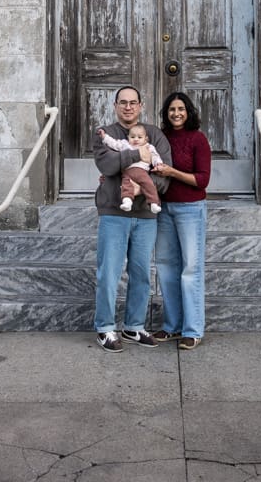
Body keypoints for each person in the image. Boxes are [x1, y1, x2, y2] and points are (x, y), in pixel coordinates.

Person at [92, 85, 171, 353]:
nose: (128, 107)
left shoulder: (155, 135)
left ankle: (133, 326)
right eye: (122, 102)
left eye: (133, 102)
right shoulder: (106, 134)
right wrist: (139, 154)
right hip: (114, 213)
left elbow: (163, 173)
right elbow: (107, 166)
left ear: (140, 105)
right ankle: (105, 327)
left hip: (146, 216)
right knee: (109, 273)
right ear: (115, 106)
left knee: (141, 274)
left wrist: (140, 188)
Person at [149, 91, 212, 351]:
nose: (176, 113)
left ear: (189, 112)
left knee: (190, 270)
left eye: (181, 109)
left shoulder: (198, 139)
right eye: (172, 109)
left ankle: (193, 329)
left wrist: (172, 171)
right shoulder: (160, 139)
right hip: (164, 209)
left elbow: (202, 180)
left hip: (190, 209)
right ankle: (172, 326)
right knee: (165, 266)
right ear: (166, 113)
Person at [97, 123, 164, 214]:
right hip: (128, 172)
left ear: (146, 138)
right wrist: (105, 137)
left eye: (139, 137)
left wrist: (158, 163)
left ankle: (153, 203)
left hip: (142, 172)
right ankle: (127, 202)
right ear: (128, 137)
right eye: (132, 137)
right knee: (126, 185)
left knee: (149, 184)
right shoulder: (125, 144)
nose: (136, 139)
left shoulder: (149, 147)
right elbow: (114, 143)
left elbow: (155, 156)